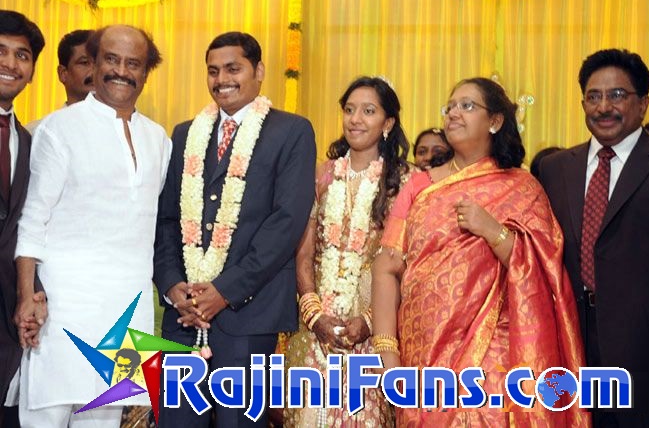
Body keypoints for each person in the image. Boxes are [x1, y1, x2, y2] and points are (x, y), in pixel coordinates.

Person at [372, 77, 588, 427]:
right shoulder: (421, 184)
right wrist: (387, 352)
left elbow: (545, 268)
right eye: (450, 106)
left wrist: (493, 231)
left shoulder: (522, 187)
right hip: (423, 353)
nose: (453, 113)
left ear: (495, 121)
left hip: (493, 354)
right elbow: (387, 265)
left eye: (467, 106)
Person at [153, 31, 316, 427]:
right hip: (184, 316)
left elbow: (286, 222)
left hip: (249, 315)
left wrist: (225, 291)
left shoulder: (291, 131)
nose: (221, 79)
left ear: (258, 71)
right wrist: (173, 286)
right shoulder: (185, 133)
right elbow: (167, 219)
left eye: (233, 69)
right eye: (213, 71)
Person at [15, 24, 171, 428]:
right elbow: (32, 219)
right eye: (111, 60)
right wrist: (27, 295)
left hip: (128, 308)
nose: (121, 71)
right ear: (94, 64)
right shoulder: (59, 129)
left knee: (104, 418)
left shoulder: (159, 139)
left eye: (133, 63)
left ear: (146, 72)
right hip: (63, 307)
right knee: (45, 415)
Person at [539, 49, 649, 427]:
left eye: (617, 95)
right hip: (572, 344)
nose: (603, 107)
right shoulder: (555, 169)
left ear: (643, 103)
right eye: (593, 96)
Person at [283, 76, 412, 427]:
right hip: (317, 330)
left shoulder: (405, 182)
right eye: (350, 110)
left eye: (368, 111)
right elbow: (303, 252)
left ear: (387, 123)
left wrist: (368, 322)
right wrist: (315, 316)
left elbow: (406, 263)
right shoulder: (321, 175)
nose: (355, 119)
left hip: (373, 332)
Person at [0, 9, 46, 428]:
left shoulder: (30, 143)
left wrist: (30, 294)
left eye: (22, 55)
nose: (10, 64)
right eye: (0, 51)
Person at [25, 29, 94, 133]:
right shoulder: (37, 132)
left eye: (100, 63)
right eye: (84, 63)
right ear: (63, 73)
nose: (95, 71)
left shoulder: (119, 129)